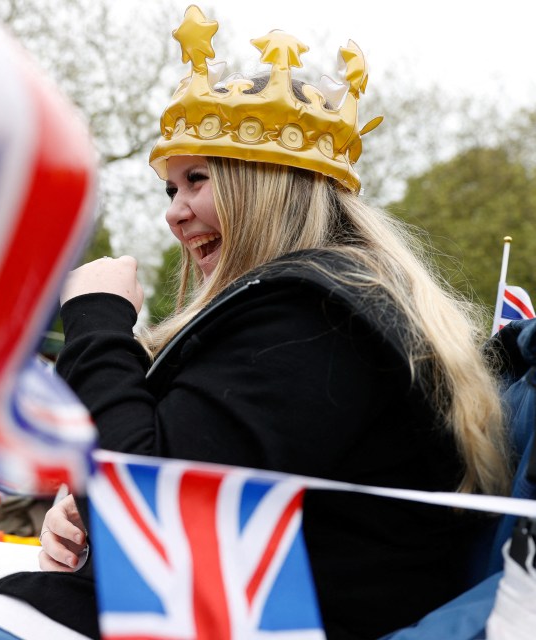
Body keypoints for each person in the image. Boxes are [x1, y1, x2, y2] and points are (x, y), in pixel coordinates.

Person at [35, 5, 510, 639]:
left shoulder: (312, 316)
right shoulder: (318, 303)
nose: (175, 214)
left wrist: (97, 320)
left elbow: (153, 511)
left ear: (267, 187)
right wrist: (84, 518)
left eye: (197, 179)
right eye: (169, 190)